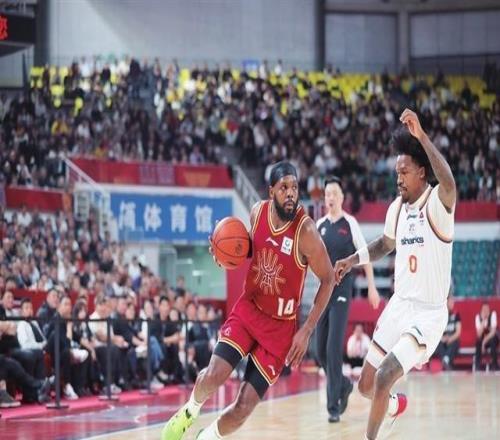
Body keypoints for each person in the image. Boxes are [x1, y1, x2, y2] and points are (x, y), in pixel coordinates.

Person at [161, 161, 335, 440]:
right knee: (214, 374)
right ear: (271, 191)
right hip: (250, 309)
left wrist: (306, 330)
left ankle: (206, 437)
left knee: (243, 407)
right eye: (284, 188)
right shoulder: (257, 212)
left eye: (294, 187)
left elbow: (328, 279)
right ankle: (189, 411)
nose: (291, 193)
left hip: (279, 329)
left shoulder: (307, 233)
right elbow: (249, 249)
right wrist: (224, 254)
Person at [334, 108, 456, 440]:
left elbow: (449, 182)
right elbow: (385, 244)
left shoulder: (438, 205)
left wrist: (422, 136)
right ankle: (393, 406)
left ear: (421, 172)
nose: (398, 178)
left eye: (404, 172)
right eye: (396, 173)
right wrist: (351, 260)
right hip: (399, 306)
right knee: (365, 385)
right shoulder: (397, 208)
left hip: (427, 314)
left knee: (385, 374)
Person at [316, 176, 380, 422]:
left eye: (334, 193)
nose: (330, 197)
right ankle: (343, 384)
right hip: (323, 292)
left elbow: (366, 255)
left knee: (333, 348)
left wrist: (372, 287)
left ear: (342, 198)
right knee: (319, 350)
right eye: (327, 194)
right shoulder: (319, 225)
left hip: (342, 292)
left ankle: (333, 407)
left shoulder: (350, 223)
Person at [437, 295, 461, 370]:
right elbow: (437, 331)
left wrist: (451, 338)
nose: (452, 303)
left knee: (455, 342)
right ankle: (446, 362)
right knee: (438, 342)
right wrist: (442, 338)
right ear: (446, 302)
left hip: (453, 339)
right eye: (450, 302)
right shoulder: (441, 315)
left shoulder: (456, 315)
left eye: (453, 302)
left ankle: (445, 360)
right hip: (443, 340)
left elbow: (458, 332)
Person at [475, 302, 498, 371]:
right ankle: (478, 366)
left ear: (489, 309)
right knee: (478, 342)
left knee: (492, 341)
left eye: (487, 309)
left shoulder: (493, 314)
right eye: (484, 309)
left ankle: (494, 365)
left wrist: (484, 342)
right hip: (483, 338)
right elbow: (479, 334)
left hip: (492, 337)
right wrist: (483, 320)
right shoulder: (478, 317)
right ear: (481, 310)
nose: (485, 311)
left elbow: (493, 332)